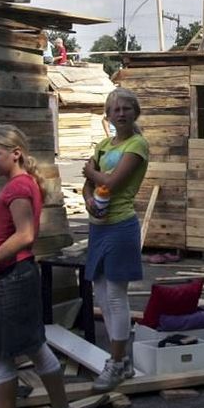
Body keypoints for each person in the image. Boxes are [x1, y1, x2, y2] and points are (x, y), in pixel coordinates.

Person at [0, 125, 78, 408]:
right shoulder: (18, 185)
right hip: (16, 275)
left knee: (3, 354)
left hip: (12, 277)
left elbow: (25, 235)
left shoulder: (18, 187)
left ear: (15, 153)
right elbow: (14, 226)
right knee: (34, 346)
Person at [82, 89, 149, 391]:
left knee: (115, 296)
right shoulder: (103, 145)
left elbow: (110, 181)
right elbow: (88, 186)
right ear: (107, 116)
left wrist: (90, 171)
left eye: (126, 109)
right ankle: (120, 361)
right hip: (98, 225)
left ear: (135, 112)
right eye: (115, 110)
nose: (120, 114)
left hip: (121, 225)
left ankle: (116, 363)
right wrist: (87, 201)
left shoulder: (137, 146)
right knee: (100, 294)